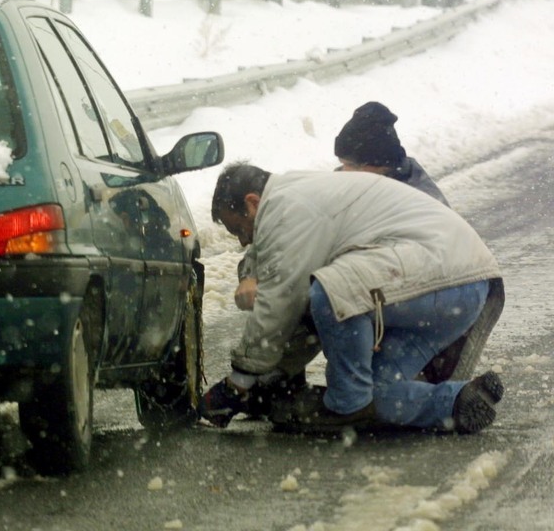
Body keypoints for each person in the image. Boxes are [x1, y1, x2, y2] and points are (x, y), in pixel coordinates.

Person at [202, 162, 505, 434]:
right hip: (466, 291)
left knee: (332, 291)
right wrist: (249, 277)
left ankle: (346, 404)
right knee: (378, 393)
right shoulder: (295, 195)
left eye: (239, 228)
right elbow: (265, 256)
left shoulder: (288, 207)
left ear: (251, 203)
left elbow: (282, 298)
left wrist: (240, 380)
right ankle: (456, 402)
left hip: (442, 278)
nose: (243, 241)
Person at [233, 101, 446, 313]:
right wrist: (249, 275)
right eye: (342, 162)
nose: (344, 171)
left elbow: (431, 268)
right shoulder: (343, 183)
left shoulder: (423, 202)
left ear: (382, 164)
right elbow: (278, 234)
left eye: (352, 165)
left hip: (425, 303)